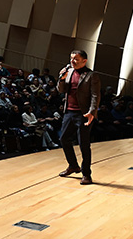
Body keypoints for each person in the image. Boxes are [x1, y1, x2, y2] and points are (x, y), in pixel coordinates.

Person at [57, 50, 101, 185]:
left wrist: (92, 112)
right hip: (69, 112)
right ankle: (73, 165)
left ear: (84, 61)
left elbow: (95, 95)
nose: (72, 61)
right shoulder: (68, 72)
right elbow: (61, 90)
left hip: (84, 114)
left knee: (84, 144)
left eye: (76, 59)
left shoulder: (91, 75)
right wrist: (61, 78)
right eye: (71, 59)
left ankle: (86, 174)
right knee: (64, 138)